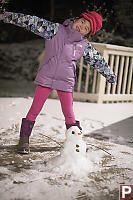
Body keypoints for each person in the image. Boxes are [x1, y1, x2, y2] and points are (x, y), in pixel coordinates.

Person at [0, 8, 117, 154]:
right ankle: (24, 139)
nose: (82, 27)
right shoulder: (55, 30)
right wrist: (7, 16)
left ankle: (75, 143)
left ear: (88, 33)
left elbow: (98, 61)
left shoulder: (84, 45)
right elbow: (31, 21)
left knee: (69, 114)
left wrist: (110, 75)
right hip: (46, 78)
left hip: (65, 82)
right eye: (82, 22)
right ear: (76, 19)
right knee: (34, 109)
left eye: (86, 28)